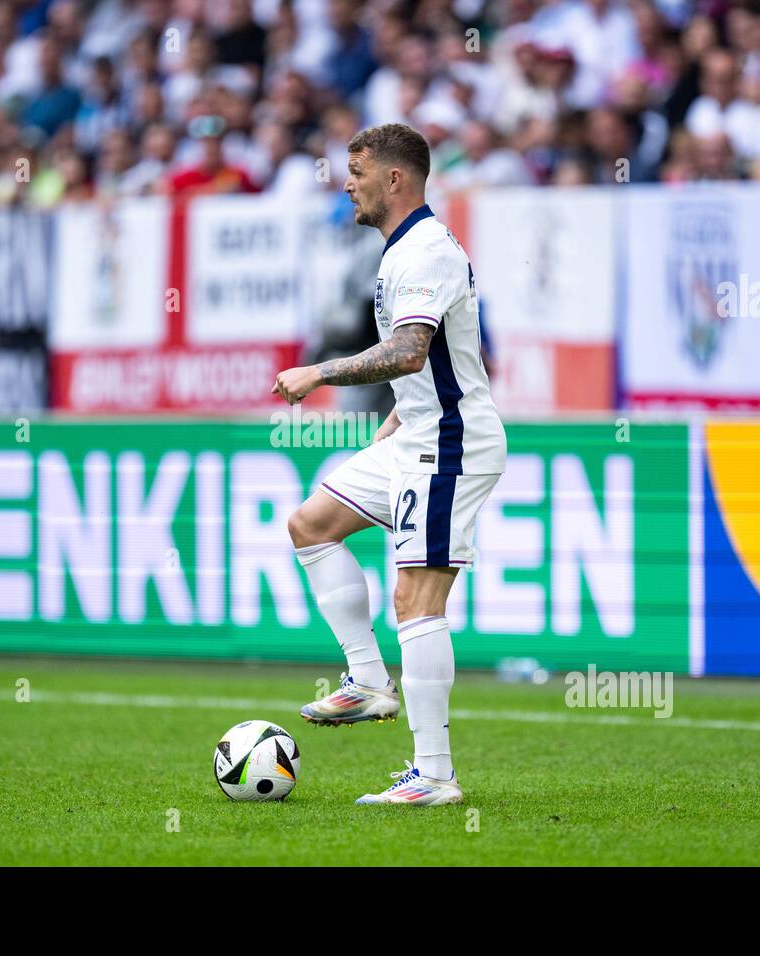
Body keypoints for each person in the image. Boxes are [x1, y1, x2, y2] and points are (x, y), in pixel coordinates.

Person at [271, 123, 506, 806]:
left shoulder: (425, 250)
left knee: (415, 600)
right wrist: (399, 416)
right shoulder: (402, 250)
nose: (347, 183)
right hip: (419, 430)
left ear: (394, 179)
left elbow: (407, 351)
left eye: (357, 170)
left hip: (452, 442)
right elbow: (437, 363)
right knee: (312, 524)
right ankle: (370, 680)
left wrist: (318, 372)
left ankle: (435, 776)